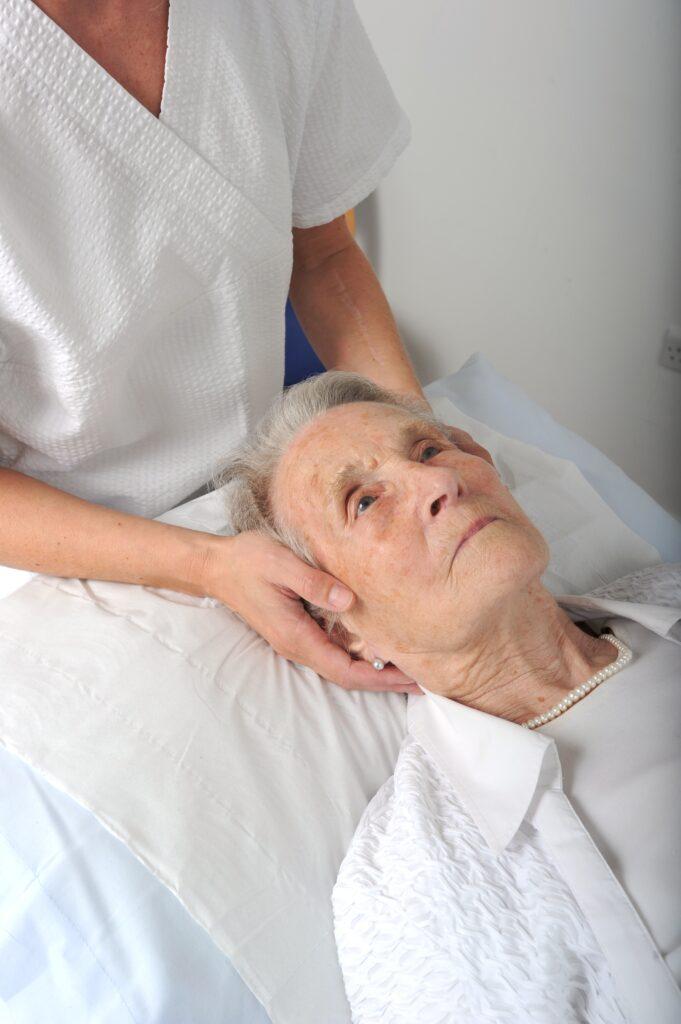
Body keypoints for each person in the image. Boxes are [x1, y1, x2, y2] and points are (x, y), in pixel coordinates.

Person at [0, 0, 457, 694]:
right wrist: (207, 565)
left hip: (265, 498)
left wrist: (418, 447)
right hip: (54, 555)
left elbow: (326, 254)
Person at [216, 368, 681, 1024]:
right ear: (340, 631)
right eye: (364, 501)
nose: (439, 482)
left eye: (429, 450)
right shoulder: (415, 893)